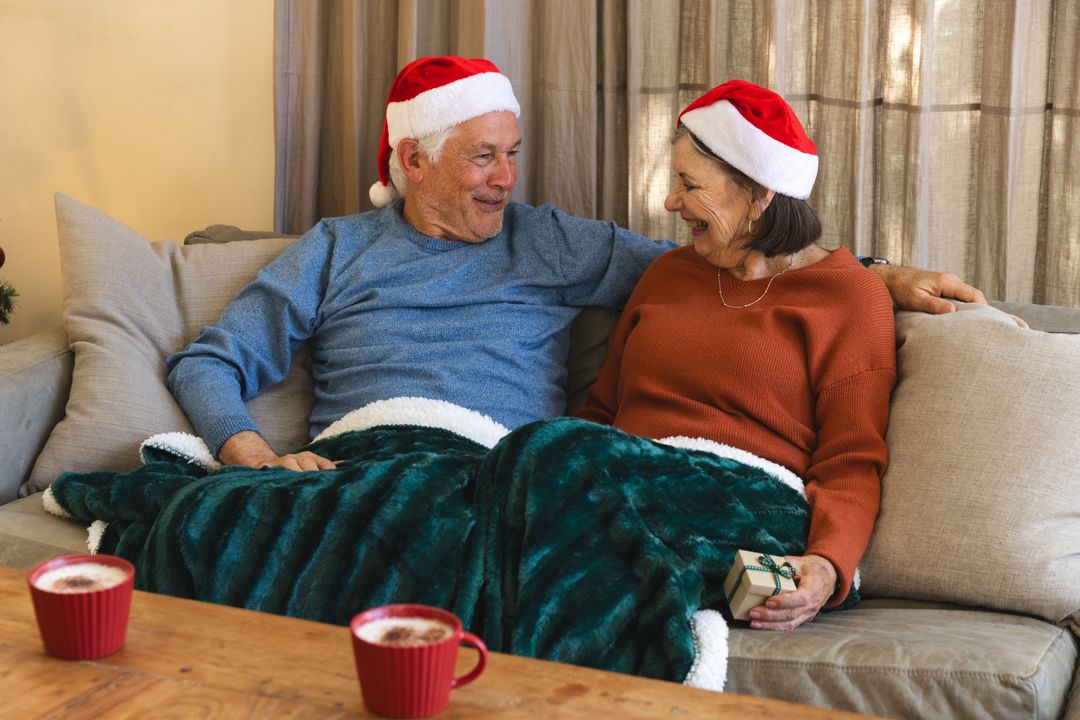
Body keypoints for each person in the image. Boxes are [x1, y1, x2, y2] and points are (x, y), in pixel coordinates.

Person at [166, 56, 983, 473]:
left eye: (512, 154)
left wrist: (873, 274)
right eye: (483, 158)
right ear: (414, 161)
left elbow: (721, 257)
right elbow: (210, 363)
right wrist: (255, 456)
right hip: (363, 464)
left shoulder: (547, 239)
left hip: (502, 476)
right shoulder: (337, 248)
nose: (507, 180)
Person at [575, 79, 895, 631]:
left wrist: (826, 563)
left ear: (759, 195)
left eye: (689, 184)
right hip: (628, 486)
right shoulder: (667, 274)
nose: (672, 202)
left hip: (751, 503)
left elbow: (852, 457)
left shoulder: (850, 296)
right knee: (524, 474)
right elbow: (600, 414)